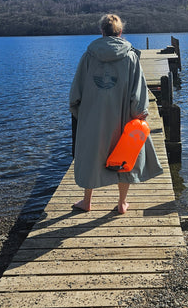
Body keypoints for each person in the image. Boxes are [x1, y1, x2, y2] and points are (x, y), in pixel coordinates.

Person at [69, 13, 163, 213]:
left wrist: (79, 112)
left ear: (101, 32)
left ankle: (87, 201)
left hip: (93, 118)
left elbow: (75, 93)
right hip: (122, 117)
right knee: (124, 156)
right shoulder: (130, 57)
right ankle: (121, 203)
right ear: (121, 32)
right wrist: (139, 113)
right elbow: (138, 91)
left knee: (91, 156)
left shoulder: (88, 56)